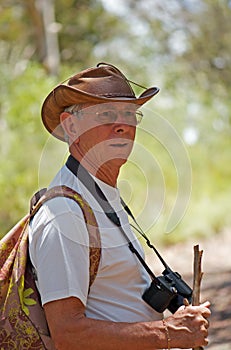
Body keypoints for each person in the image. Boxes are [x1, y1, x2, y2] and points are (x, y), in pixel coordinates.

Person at [29, 62, 211, 350]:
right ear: (71, 125)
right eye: (106, 114)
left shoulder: (99, 196)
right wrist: (168, 333)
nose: (122, 124)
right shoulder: (64, 214)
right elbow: (68, 334)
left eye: (129, 114)